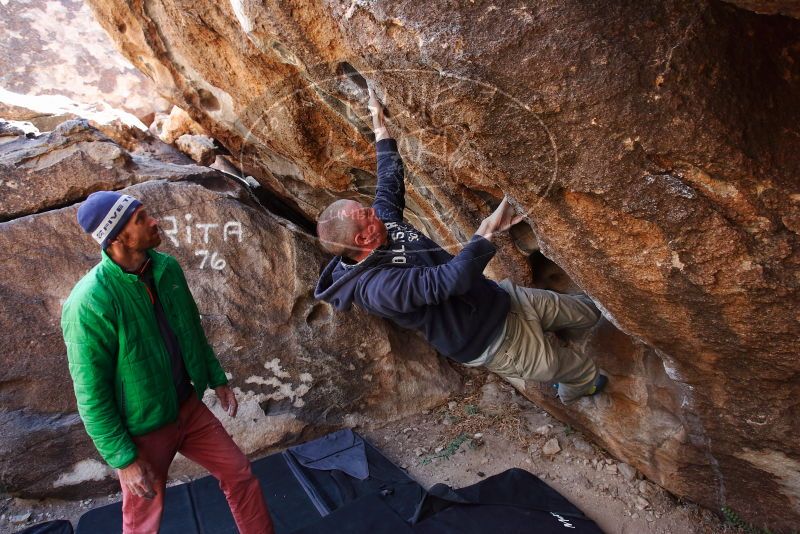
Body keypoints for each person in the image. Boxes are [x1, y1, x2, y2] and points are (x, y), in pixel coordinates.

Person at [314, 88, 607, 404]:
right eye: (366, 214)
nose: (374, 209)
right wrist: (487, 230)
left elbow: (389, 181)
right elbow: (448, 281)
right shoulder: (378, 289)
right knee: (576, 370)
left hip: (501, 300)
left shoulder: (381, 226)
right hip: (490, 341)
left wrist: (379, 124)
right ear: (362, 239)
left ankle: (586, 342)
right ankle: (577, 390)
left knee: (587, 312)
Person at [61, 192, 274, 534]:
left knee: (240, 474)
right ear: (117, 237)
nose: (155, 221)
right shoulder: (89, 303)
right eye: (142, 219)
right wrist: (124, 459)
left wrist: (216, 378)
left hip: (187, 408)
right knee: (143, 520)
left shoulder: (166, 268)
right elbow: (90, 394)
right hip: (143, 431)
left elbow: (191, 331)